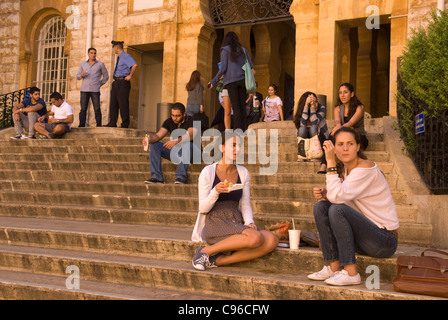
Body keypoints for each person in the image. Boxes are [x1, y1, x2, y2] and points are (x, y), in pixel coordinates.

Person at [309, 127, 399, 286]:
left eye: (350, 144)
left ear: (358, 147)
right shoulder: (346, 169)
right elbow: (341, 196)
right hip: (366, 237)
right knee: (321, 207)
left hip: (384, 241)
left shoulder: (366, 168)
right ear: (334, 147)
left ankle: (351, 273)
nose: (345, 148)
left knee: (337, 209)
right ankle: (334, 267)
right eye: (340, 144)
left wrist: (329, 161)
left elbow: (338, 198)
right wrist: (327, 194)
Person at [191, 131, 278, 270]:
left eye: (239, 146)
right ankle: (204, 252)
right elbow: (203, 209)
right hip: (215, 219)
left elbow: (244, 203)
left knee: (271, 240)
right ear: (222, 148)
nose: (237, 149)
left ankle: (218, 261)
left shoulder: (243, 172)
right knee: (255, 238)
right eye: (233, 145)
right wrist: (215, 192)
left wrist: (249, 221)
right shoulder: (208, 172)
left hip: (235, 218)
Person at [143, 103, 200, 185]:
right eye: (173, 115)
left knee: (187, 145)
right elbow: (158, 135)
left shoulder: (193, 120)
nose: (174, 118)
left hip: (194, 153)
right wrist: (148, 140)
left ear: (184, 114)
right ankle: (157, 177)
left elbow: (190, 135)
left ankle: (181, 177)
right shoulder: (169, 121)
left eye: (177, 116)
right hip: (178, 153)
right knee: (154, 145)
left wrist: (176, 141)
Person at [208, 32, 254, 131]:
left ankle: (238, 131)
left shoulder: (225, 50)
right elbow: (251, 66)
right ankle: (243, 129)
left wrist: (213, 81)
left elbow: (223, 68)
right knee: (242, 106)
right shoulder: (244, 50)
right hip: (242, 81)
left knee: (236, 107)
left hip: (231, 82)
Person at [293, 91, 330, 171]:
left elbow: (315, 122)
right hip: (307, 138)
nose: (315, 104)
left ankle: (316, 155)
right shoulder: (303, 110)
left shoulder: (322, 108)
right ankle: (302, 155)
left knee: (313, 127)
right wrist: (306, 106)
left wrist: (312, 106)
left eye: (316, 101)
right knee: (302, 129)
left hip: (321, 137)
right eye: (312, 102)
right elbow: (302, 124)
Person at [105, 40, 138, 128]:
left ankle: (125, 124)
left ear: (116, 47)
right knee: (113, 103)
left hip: (123, 82)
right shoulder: (120, 57)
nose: (113, 49)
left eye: (114, 47)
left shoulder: (125, 56)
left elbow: (134, 65)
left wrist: (130, 75)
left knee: (123, 103)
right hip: (116, 82)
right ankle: (112, 122)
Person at [76, 47, 109, 127]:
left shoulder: (100, 64)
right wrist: (81, 75)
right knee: (83, 109)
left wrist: (99, 84)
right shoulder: (83, 64)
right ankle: (81, 125)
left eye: (94, 53)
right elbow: (77, 76)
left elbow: (106, 76)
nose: (93, 55)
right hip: (84, 90)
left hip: (95, 90)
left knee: (97, 109)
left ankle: (98, 125)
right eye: (91, 53)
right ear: (88, 54)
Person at [331, 83, 369, 150]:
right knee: (331, 136)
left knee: (348, 139)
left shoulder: (359, 107)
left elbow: (350, 123)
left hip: (358, 136)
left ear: (352, 94)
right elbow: (337, 121)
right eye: (340, 93)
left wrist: (340, 128)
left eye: (345, 92)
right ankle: (325, 160)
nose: (342, 95)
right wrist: (338, 125)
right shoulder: (337, 109)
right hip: (343, 136)